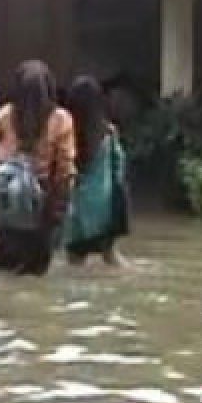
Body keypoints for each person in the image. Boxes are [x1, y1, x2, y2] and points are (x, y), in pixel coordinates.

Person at [0, 60, 75, 276]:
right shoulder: (61, 120)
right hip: (42, 205)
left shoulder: (6, 114)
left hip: (9, 203)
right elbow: (65, 170)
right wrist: (58, 211)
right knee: (34, 276)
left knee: (2, 273)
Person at [63, 76, 129, 267]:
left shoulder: (68, 133)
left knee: (74, 264)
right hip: (104, 210)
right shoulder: (108, 133)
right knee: (112, 258)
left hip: (76, 213)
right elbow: (119, 168)